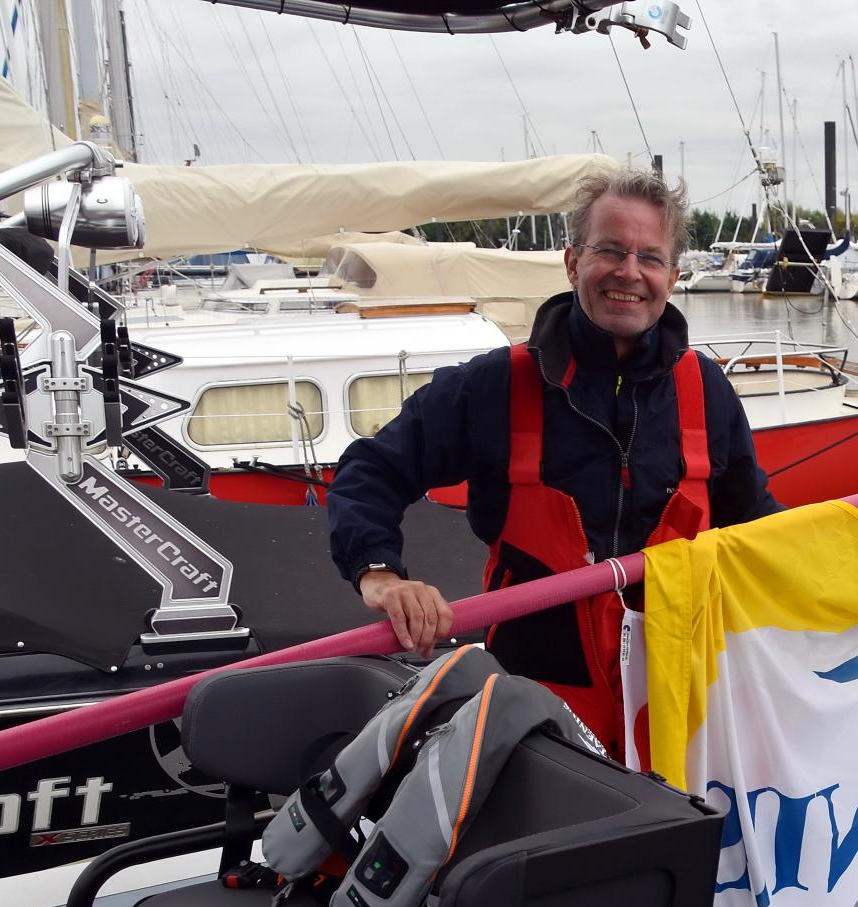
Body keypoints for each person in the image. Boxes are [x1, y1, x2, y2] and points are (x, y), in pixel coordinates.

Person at [327, 167, 781, 755]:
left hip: (683, 710)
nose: (629, 272)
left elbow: (758, 526)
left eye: (649, 257)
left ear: (672, 276)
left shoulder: (707, 392)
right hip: (536, 726)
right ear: (572, 263)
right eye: (610, 250)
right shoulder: (497, 386)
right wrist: (382, 576)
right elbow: (369, 470)